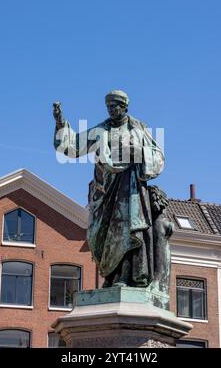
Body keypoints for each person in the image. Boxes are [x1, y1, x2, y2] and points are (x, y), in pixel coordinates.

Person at [53, 90, 165, 288]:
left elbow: (157, 156)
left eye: (115, 106)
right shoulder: (101, 131)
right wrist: (60, 123)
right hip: (104, 191)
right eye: (109, 107)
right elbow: (72, 146)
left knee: (127, 231)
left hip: (129, 189)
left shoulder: (137, 130)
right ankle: (111, 276)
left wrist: (137, 152)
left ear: (125, 107)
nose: (111, 110)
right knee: (100, 236)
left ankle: (124, 276)